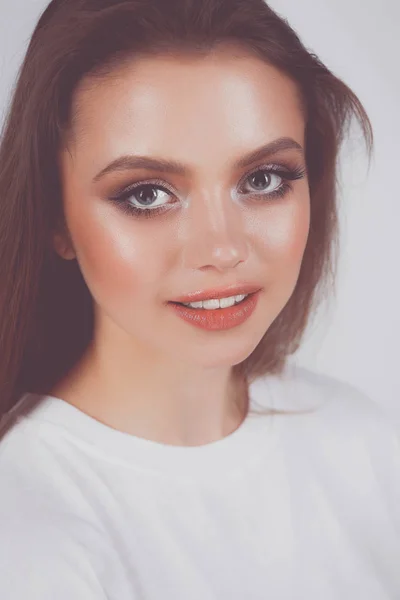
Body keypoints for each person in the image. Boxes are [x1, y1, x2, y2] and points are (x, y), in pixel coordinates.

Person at [0, 0, 398, 598]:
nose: (222, 248)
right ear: (55, 216)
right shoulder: (28, 540)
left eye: (263, 180)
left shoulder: (360, 443)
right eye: (147, 194)